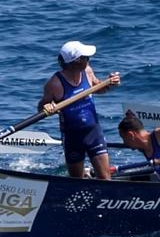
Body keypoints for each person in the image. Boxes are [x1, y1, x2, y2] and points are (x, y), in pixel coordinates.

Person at [40, 40, 121, 179]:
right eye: (86, 58)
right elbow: (42, 107)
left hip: (93, 133)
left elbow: (97, 87)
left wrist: (109, 84)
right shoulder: (55, 84)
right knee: (76, 181)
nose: (89, 61)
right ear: (76, 61)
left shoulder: (87, 71)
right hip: (72, 137)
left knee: (105, 178)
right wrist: (46, 107)